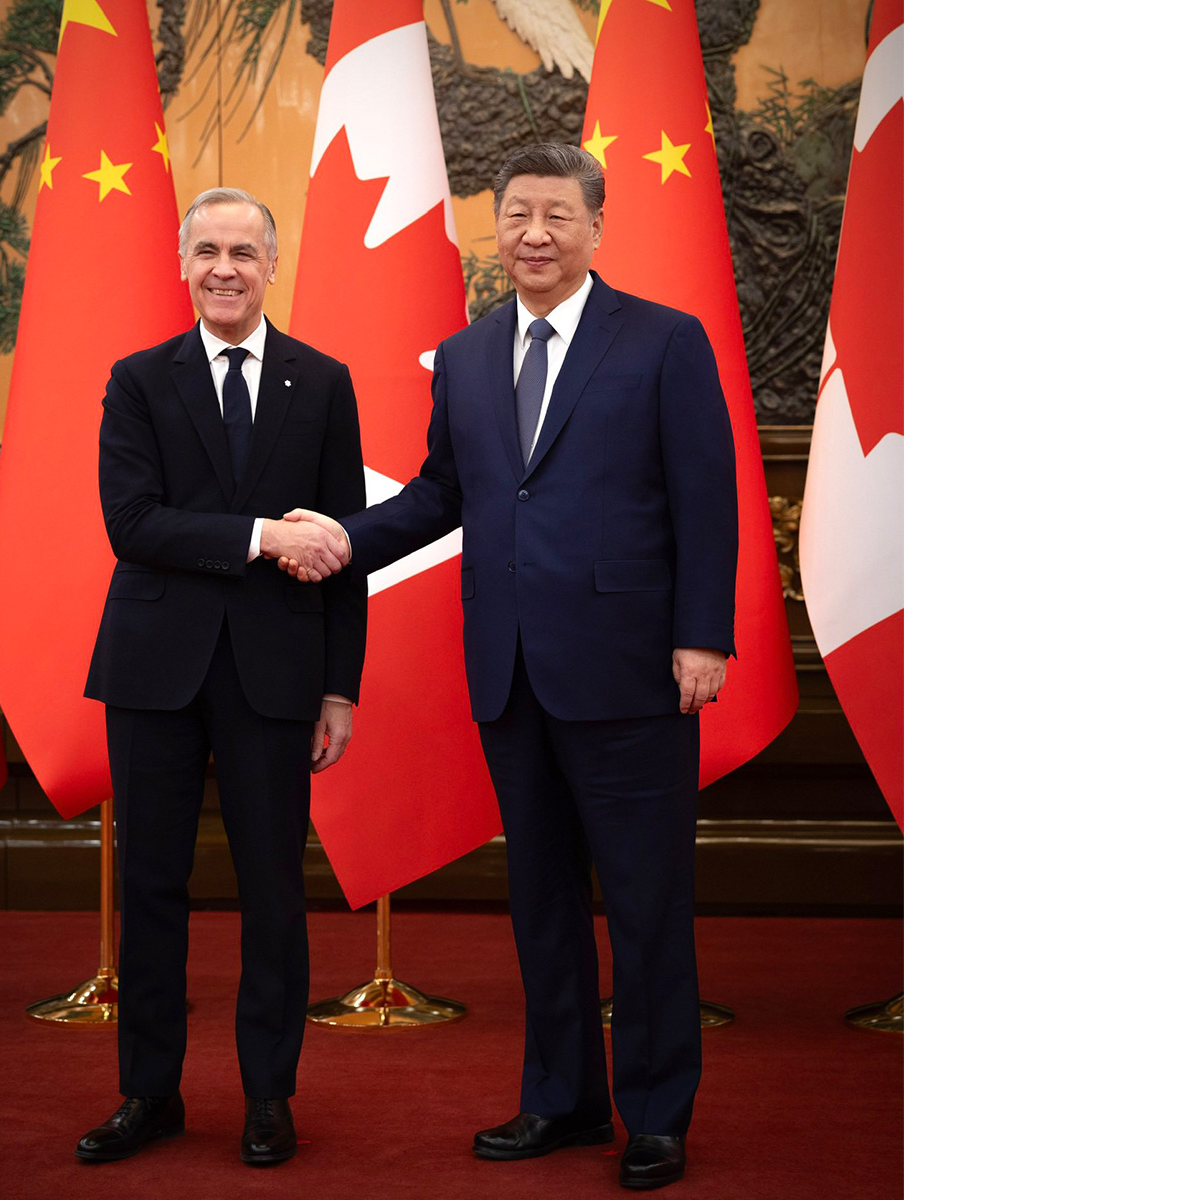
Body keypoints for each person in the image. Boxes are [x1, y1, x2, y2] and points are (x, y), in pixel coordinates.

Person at [281, 144, 736, 1191]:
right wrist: (344, 536)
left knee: (646, 901)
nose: (535, 233)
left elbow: (705, 497)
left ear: (595, 228)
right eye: (517, 214)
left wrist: (701, 635)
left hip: (634, 670)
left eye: (557, 216)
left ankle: (656, 1114)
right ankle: (563, 1099)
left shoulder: (663, 341)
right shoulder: (470, 353)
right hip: (511, 671)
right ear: (497, 227)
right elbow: (444, 493)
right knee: (540, 901)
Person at [76, 187, 366, 1167]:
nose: (225, 268)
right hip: (154, 673)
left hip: (279, 677)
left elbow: (339, 548)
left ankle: (267, 1098)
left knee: (273, 894)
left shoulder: (322, 383)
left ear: (272, 265)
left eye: (244, 250)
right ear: (182, 261)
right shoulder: (137, 380)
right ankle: (149, 1093)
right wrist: (257, 538)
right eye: (207, 250)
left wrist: (340, 687)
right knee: (152, 888)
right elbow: (134, 524)